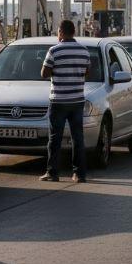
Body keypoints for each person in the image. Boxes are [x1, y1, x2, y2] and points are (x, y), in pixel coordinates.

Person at [40, 19, 90, 183]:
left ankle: (53, 172)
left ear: (60, 32)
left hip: (59, 100)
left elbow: (44, 74)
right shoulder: (84, 51)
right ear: (74, 32)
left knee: (55, 137)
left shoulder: (54, 51)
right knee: (78, 138)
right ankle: (79, 174)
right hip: (77, 100)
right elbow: (87, 72)